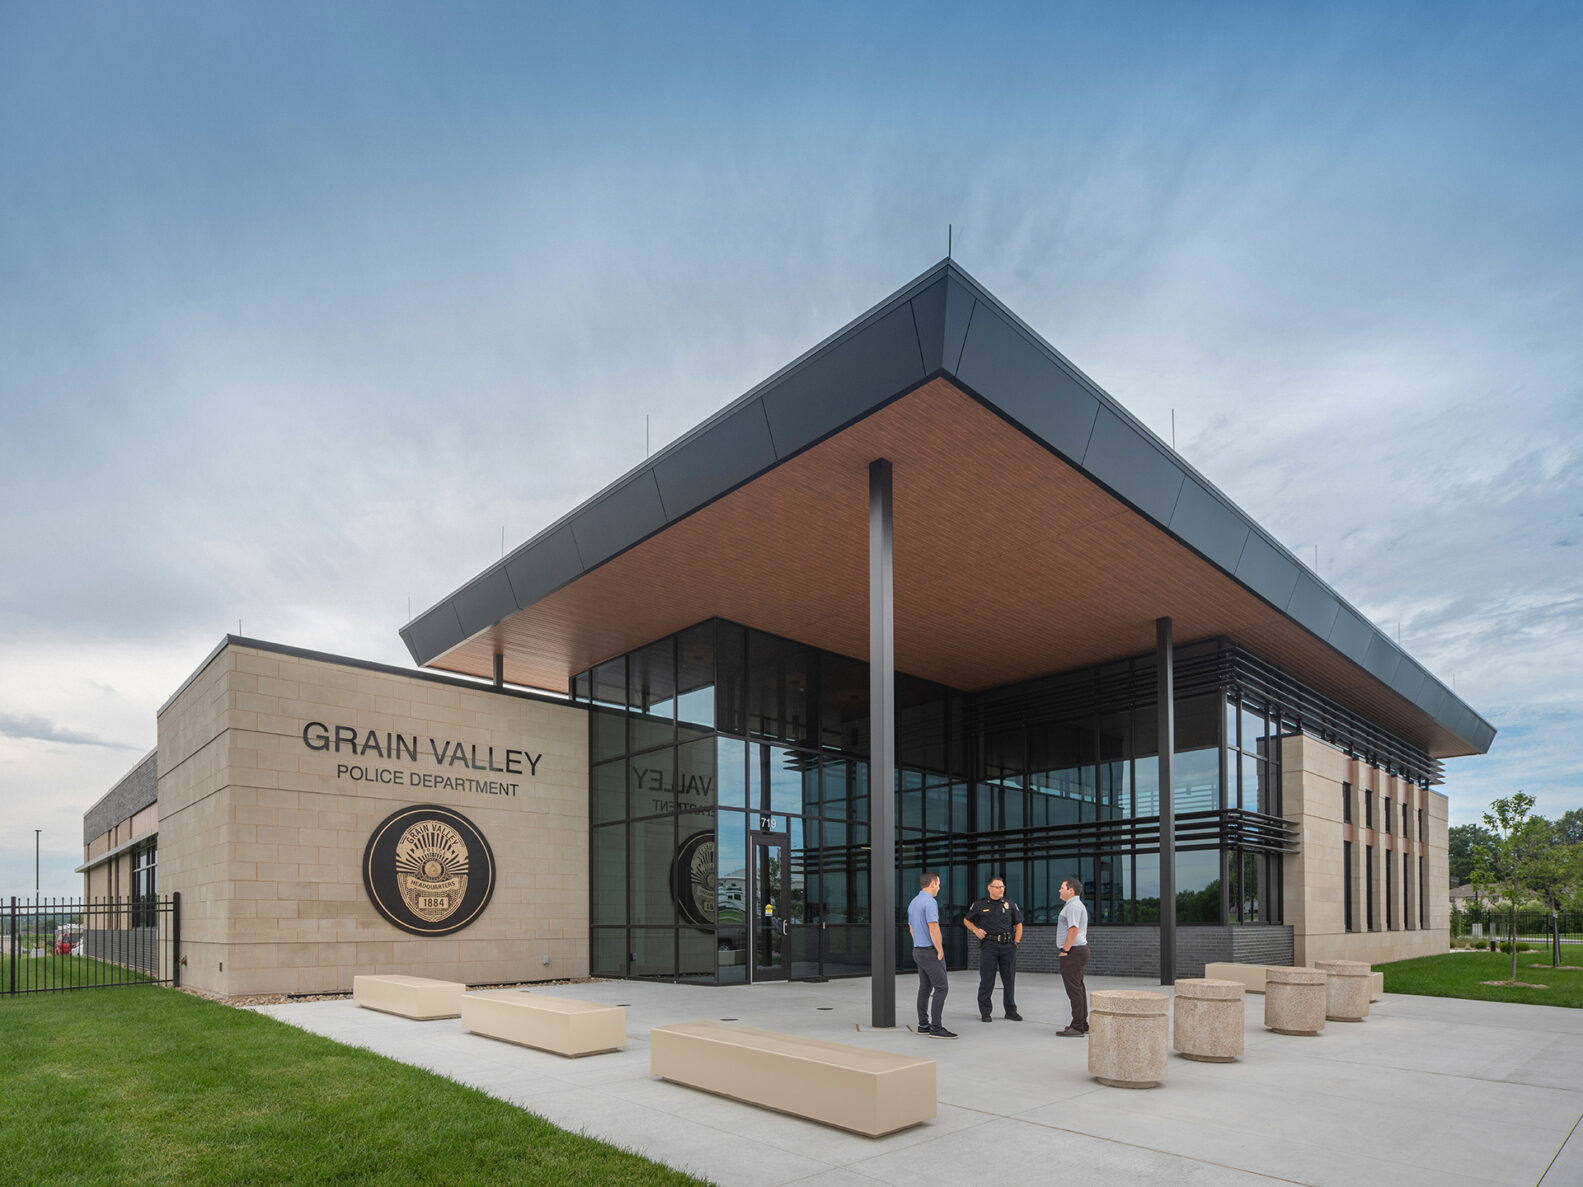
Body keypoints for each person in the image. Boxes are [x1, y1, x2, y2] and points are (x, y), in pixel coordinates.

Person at [964, 875, 1023, 1021]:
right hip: (989, 946)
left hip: (1007, 946)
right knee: (987, 980)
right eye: (998, 887)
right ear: (989, 888)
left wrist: (1016, 942)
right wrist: (976, 930)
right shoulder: (980, 904)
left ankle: (1010, 1011)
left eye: (1003, 887)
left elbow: (1019, 923)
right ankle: (985, 1012)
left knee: (1009, 980)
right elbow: (966, 920)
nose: (1001, 889)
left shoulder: (1009, 903)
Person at [907, 871, 955, 1038]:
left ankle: (924, 1024)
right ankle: (936, 1028)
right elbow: (933, 927)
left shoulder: (913, 902)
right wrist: (940, 949)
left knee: (925, 987)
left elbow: (911, 928)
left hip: (918, 950)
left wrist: (920, 943)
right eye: (939, 884)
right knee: (942, 987)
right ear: (933, 883)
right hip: (929, 951)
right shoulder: (930, 902)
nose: (939, 888)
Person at [1055, 875, 1090, 1036]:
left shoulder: (1073, 906)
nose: (1059, 890)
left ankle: (1077, 1026)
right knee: (1078, 988)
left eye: (1062, 888)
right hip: (1077, 951)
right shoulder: (1074, 905)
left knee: (1074, 990)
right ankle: (1082, 1023)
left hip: (1073, 952)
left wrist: (1066, 950)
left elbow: (1073, 929)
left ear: (1071, 890)